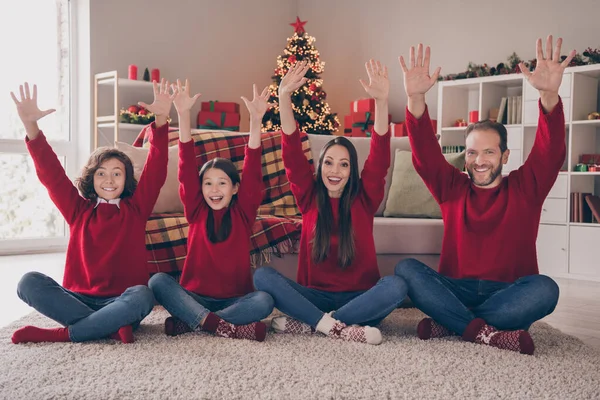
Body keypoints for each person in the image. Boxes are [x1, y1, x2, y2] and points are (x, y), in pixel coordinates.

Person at [394, 36, 575, 355]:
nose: (479, 160)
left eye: (489, 152)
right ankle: (486, 331)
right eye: (473, 152)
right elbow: (424, 154)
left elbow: (550, 152)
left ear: (505, 156)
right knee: (406, 270)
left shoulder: (526, 188)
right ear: (465, 156)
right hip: (457, 289)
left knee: (545, 290)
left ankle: (453, 325)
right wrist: (415, 99)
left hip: (508, 292)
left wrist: (548, 95)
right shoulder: (452, 187)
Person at [253, 60, 407, 345]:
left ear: (352, 171)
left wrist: (382, 101)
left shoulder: (364, 198)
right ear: (320, 166)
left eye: (344, 165)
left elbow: (380, 156)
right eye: (329, 163)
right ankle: (338, 327)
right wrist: (283, 96)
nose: (335, 171)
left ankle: (316, 323)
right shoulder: (309, 197)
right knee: (263, 277)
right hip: (314, 295)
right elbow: (290, 152)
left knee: (396, 286)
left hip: (360, 296)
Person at [11, 79, 175, 344]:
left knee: (143, 295)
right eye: (102, 173)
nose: (109, 180)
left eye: (116, 174)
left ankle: (66, 334)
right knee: (27, 282)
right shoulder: (78, 210)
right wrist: (32, 126)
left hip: (123, 301)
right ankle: (108, 328)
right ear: (91, 178)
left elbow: (156, 169)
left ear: (126, 180)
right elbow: (52, 174)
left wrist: (160, 119)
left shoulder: (136, 209)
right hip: (78, 297)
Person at [149, 81, 274, 342]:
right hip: (194, 295)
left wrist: (255, 121)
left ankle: (194, 322)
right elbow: (185, 168)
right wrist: (183, 115)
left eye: (222, 183)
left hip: (236, 299)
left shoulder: (243, 213)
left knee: (264, 301)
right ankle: (225, 327)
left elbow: (252, 170)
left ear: (235, 188)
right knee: (158, 282)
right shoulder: (196, 210)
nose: (214, 190)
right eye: (208, 183)